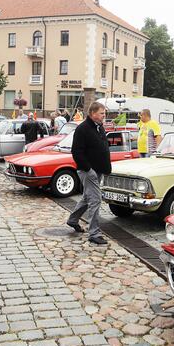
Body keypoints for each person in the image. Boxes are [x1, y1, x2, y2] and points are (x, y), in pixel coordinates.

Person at [66, 102, 110, 245]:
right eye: (102, 113)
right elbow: (76, 152)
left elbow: (103, 148)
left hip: (98, 170)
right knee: (95, 199)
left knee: (87, 198)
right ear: (92, 113)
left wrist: (106, 168)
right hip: (87, 171)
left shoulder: (99, 127)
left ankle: (72, 220)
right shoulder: (83, 129)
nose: (104, 116)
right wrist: (88, 169)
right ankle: (94, 233)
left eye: (104, 113)